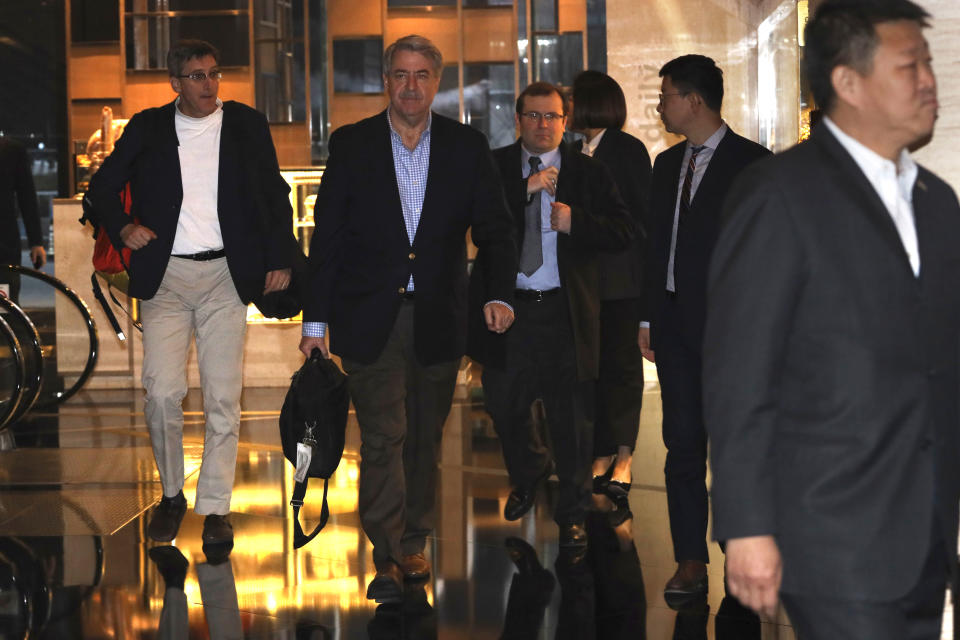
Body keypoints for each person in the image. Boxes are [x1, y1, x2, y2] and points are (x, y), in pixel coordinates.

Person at [703, 1, 960, 637]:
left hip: (925, 533)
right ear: (847, 82)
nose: (929, 81)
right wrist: (746, 527)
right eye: (911, 66)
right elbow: (740, 375)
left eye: (928, 64)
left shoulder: (936, 202)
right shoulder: (780, 194)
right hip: (832, 533)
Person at [299, 35, 517, 604]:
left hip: (441, 317)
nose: (411, 85)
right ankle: (388, 552)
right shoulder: (352, 145)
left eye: (422, 75)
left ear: (435, 82)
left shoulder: (467, 147)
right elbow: (328, 239)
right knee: (382, 435)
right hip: (371, 317)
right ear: (386, 81)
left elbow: (495, 230)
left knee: (423, 436)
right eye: (401, 74)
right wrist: (314, 322)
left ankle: (415, 538)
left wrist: (499, 295)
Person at [88, 39, 296, 545]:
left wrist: (282, 256)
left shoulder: (245, 124)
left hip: (227, 276)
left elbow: (273, 192)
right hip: (168, 280)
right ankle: (172, 495)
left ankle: (217, 507)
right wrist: (123, 228)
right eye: (197, 76)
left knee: (223, 396)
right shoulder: (149, 127)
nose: (208, 85)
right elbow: (101, 187)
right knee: (161, 393)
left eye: (214, 73)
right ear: (176, 83)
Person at [469, 81, 633, 548]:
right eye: (534, 116)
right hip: (509, 309)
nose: (543, 125)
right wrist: (526, 189)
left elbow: (624, 229)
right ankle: (530, 469)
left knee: (572, 419)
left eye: (553, 117)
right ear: (518, 119)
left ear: (567, 121)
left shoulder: (588, 172)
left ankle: (573, 512)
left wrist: (574, 221)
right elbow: (478, 224)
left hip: (566, 311)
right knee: (504, 406)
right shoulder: (495, 166)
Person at [638, 55, 770, 600]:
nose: (661, 104)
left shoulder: (753, 164)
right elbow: (655, 247)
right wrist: (647, 316)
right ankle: (689, 559)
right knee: (682, 446)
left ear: (694, 100)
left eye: (666, 94)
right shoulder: (667, 165)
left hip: (733, 336)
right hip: (672, 329)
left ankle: (741, 556)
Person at [568, 70, 652, 511]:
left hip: (620, 283)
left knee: (621, 371)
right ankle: (600, 453)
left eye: (572, 101)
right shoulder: (574, 151)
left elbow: (639, 222)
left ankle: (624, 458)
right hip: (584, 284)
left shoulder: (627, 150)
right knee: (592, 371)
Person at [0, 137, 46, 302]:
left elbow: (27, 198)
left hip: (5, 246)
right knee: (6, 308)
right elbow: (27, 197)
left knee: (6, 305)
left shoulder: (12, 150)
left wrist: (36, 242)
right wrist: (36, 242)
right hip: (5, 243)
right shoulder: (11, 149)